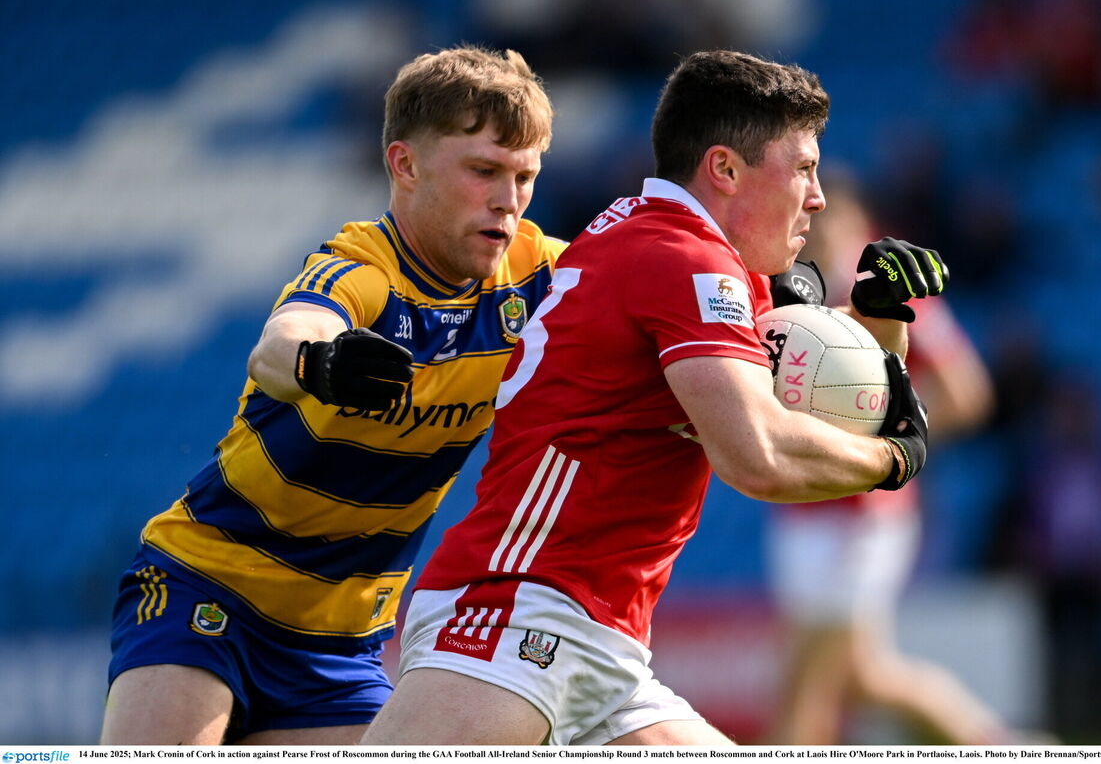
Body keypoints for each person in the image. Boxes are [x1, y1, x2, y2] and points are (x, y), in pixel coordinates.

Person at [361, 49, 947, 746]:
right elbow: (759, 454)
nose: (816, 197)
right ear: (725, 169)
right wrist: (894, 459)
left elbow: (812, 389)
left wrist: (879, 323)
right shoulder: (686, 261)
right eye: (803, 168)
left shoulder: (679, 246)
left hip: (599, 640)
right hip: (519, 609)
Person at [100, 46, 565, 744]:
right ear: (405, 165)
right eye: (483, 171)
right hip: (209, 592)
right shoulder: (361, 268)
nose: (509, 198)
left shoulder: (540, 275)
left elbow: (656, 278)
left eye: (524, 176)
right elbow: (281, 343)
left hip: (339, 647)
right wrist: (321, 363)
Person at [760, 170, 1008, 745]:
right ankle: (1002, 746)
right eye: (809, 219)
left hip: (864, 513)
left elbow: (967, 394)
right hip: (801, 507)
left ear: (861, 224)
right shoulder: (794, 295)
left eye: (831, 219)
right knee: (861, 679)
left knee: (806, 682)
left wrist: (883, 432)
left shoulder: (890, 292)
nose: (818, 231)